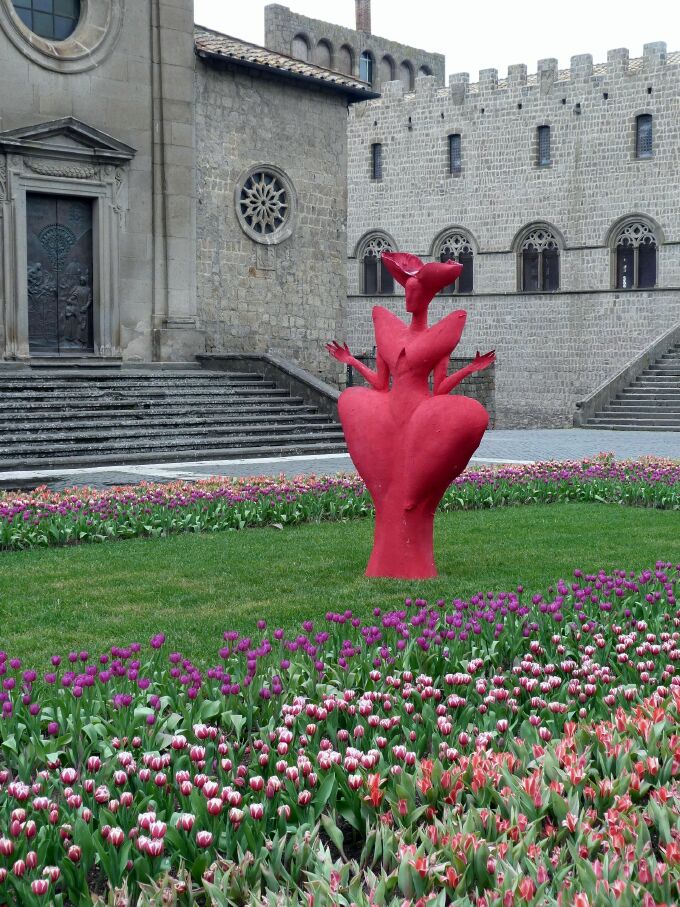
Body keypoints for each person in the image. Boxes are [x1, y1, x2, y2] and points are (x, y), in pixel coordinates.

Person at [327, 251, 495, 578]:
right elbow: (380, 382)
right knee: (384, 482)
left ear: (427, 297)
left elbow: (439, 387)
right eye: (406, 291)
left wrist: (470, 370)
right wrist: (352, 362)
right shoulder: (389, 331)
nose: (408, 298)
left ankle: (412, 556)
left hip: (418, 414)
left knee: (413, 490)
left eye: (414, 292)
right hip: (389, 414)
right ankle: (386, 560)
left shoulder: (439, 336)